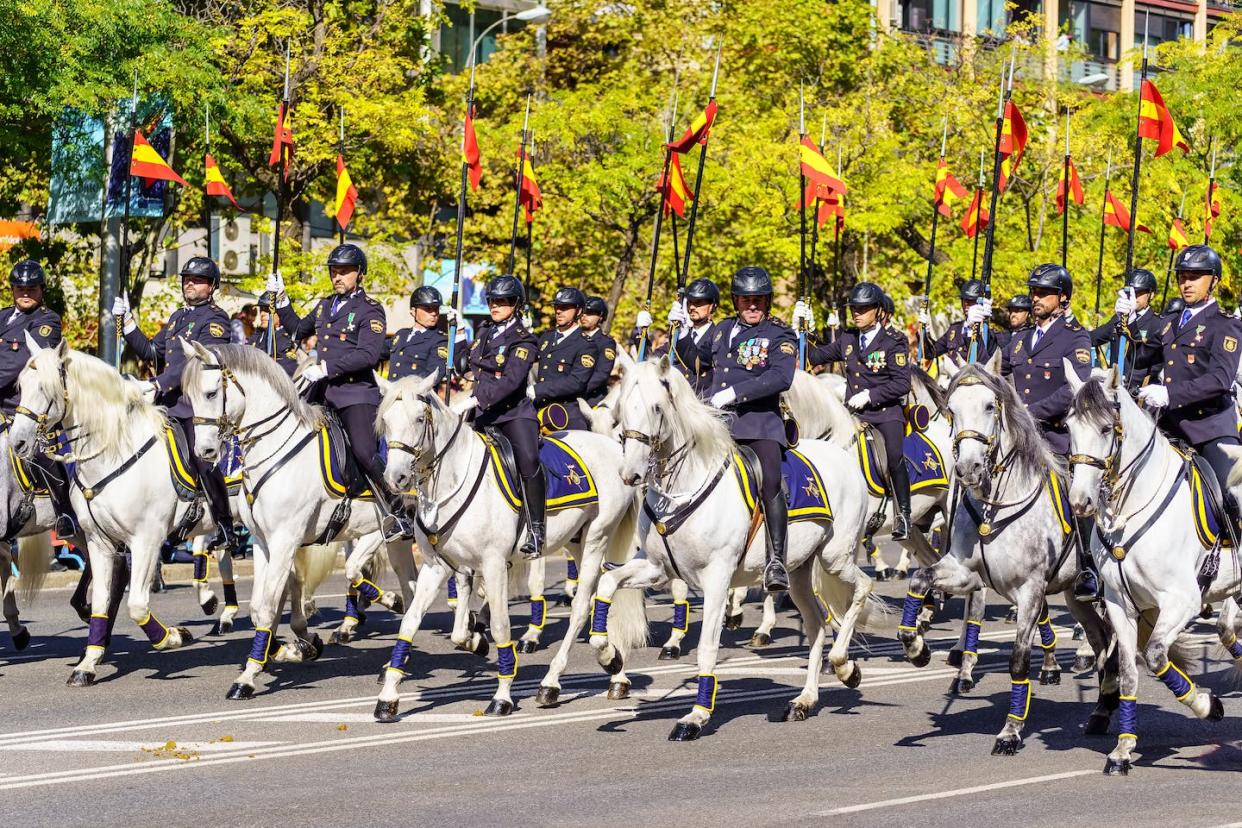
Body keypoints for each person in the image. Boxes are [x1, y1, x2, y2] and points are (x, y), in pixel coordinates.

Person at [266, 243, 412, 541]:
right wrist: (282, 299)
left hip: (354, 393)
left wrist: (327, 367)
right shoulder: (324, 304)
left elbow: (368, 355)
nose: (338, 276)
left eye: (344, 271)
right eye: (334, 271)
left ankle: (397, 510)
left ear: (359, 273)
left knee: (363, 450)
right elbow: (296, 329)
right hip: (321, 391)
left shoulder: (369, 309)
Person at [114, 256, 236, 548]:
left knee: (202, 459)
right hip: (166, 405)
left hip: (196, 407)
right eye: (186, 279)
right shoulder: (177, 317)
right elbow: (153, 353)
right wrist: (128, 323)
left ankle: (224, 522)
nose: (190, 283)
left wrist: (158, 383)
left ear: (212, 286)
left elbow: (197, 363)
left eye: (197, 280)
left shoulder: (217, 320)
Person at [687, 266, 797, 591]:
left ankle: (776, 560)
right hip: (717, 425)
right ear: (735, 300)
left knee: (770, 482)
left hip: (759, 425)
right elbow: (698, 359)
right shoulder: (720, 330)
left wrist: (734, 393)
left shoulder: (779, 334)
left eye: (758, 300)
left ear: (767, 302)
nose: (752, 306)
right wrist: (679, 330)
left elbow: (781, 377)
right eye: (746, 300)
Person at [1132, 245, 1242, 539]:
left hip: (1210, 429)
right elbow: (1141, 359)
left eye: (1196, 276)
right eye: (1183, 276)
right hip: (1169, 429)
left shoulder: (1226, 326)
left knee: (1231, 498)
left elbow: (1220, 379)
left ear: (1214, 281)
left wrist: (1170, 393)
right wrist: (1128, 321)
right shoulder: (1168, 323)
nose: (1187, 283)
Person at [999, 264, 1094, 598]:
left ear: (1062, 297)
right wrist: (975, 330)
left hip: (1054, 436)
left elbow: (1074, 389)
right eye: (1033, 291)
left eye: (1043, 292)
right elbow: (993, 371)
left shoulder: (1075, 337)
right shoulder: (1021, 337)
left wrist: (1028, 414)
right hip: (1018, 436)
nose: (1035, 297)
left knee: (1076, 495)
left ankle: (1087, 564)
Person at [799, 283, 913, 540]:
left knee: (893, 457)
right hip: (853, 415)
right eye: (854, 308)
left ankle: (903, 514)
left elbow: (902, 383)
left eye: (863, 308)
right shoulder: (848, 339)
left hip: (885, 414)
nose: (857, 313)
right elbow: (814, 357)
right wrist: (803, 330)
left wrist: (870, 395)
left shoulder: (894, 341)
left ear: (878, 310)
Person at [450, 274, 544, 559]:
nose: (496, 305)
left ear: (515, 304)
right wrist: (460, 335)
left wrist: (478, 398)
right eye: (492, 300)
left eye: (502, 301)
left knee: (528, 460)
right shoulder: (484, 332)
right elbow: (463, 366)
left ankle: (537, 529)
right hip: (480, 413)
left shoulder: (524, 340)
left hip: (512, 414)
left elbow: (512, 381)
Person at [0, 260, 77, 537]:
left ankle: (66, 512)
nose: (25, 293)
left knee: (39, 454)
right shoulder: (3, 316)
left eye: (31, 288)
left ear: (41, 290)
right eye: (20, 288)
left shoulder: (47, 321)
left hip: (26, 407)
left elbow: (21, 360)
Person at [532, 287, 597, 432]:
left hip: (565, 412)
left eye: (565, 307)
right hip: (538, 407)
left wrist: (538, 389)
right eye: (557, 307)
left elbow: (576, 382)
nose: (559, 311)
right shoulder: (546, 337)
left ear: (578, 311)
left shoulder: (586, 345)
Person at [1091, 267, 1163, 393]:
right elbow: (1091, 338)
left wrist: (1130, 321)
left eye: (1139, 292)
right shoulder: (1117, 319)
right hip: (1112, 389)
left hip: (1139, 394)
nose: (1133, 296)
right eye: (1130, 292)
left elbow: (1142, 357)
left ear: (1151, 295)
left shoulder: (1158, 324)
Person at [385, 285, 466, 381]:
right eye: (427, 309)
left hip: (418, 394)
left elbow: (434, 374)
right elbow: (374, 351)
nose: (433, 313)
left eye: (436, 309)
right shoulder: (401, 335)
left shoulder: (440, 340)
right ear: (413, 311)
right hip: (392, 394)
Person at [919, 279, 1004, 361]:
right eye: (964, 300)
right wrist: (924, 334)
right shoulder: (955, 329)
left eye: (971, 301)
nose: (966, 304)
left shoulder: (988, 332)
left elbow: (985, 358)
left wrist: (976, 327)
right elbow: (931, 353)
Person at [662, 277, 721, 396]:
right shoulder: (680, 335)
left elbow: (697, 363)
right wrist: (640, 334)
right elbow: (656, 358)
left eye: (698, 302)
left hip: (702, 405)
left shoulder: (718, 335)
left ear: (713, 306)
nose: (692, 307)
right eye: (690, 302)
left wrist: (682, 333)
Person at [579, 296, 617, 406]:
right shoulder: (574, 337)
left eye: (590, 313)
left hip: (591, 400)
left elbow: (601, 374)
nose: (584, 316)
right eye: (583, 312)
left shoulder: (606, 343)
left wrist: (575, 390)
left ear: (600, 316)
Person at [248, 298, 299, 376]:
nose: (262, 314)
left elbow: (288, 370)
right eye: (261, 309)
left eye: (267, 310)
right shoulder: (258, 334)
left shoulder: (288, 338)